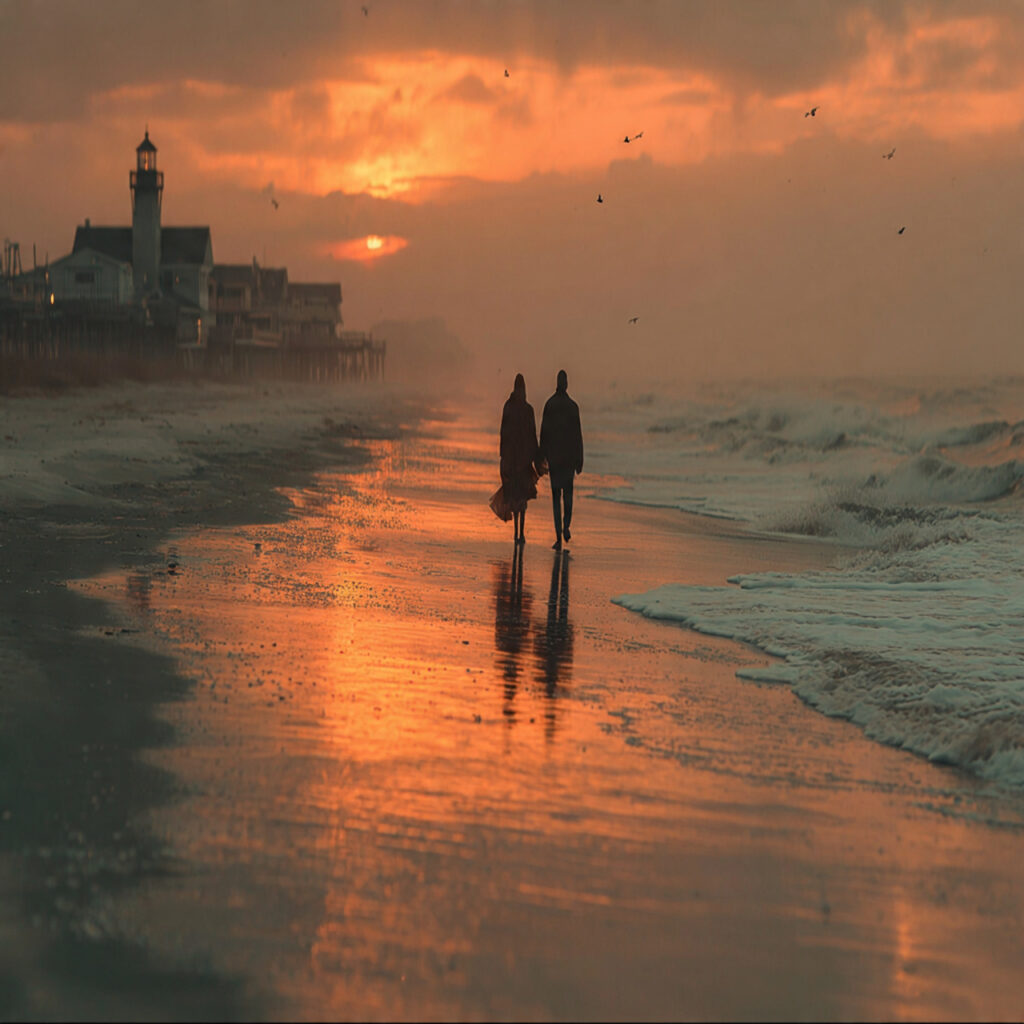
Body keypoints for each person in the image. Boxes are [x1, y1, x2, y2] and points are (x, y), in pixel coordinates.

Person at [539, 369, 584, 550]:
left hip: (555, 460)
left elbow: (544, 434)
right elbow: (577, 436)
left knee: (556, 498)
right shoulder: (573, 407)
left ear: (557, 383)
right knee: (568, 496)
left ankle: (558, 536)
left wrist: (540, 458)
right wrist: (579, 459)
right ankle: (566, 526)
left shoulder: (550, 405)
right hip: (568, 460)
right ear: (566, 384)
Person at [499, 373, 541, 545]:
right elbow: (532, 434)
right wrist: (536, 455)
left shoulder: (508, 407)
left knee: (515, 495)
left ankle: (516, 532)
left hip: (512, 458)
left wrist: (502, 455)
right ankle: (521, 533)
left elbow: (503, 433)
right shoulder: (528, 409)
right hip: (524, 459)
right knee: (522, 496)